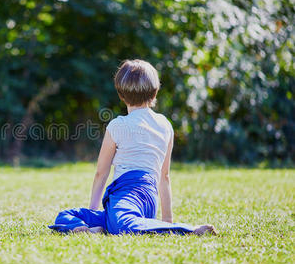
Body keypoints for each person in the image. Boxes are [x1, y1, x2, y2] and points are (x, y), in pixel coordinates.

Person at [49, 59, 217, 236]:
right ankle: (89, 230)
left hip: (127, 194)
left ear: (121, 94)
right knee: (66, 215)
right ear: (154, 92)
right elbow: (164, 176)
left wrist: (93, 207)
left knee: (122, 226)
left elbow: (101, 172)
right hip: (147, 199)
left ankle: (189, 230)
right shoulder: (165, 125)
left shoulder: (117, 126)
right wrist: (166, 218)